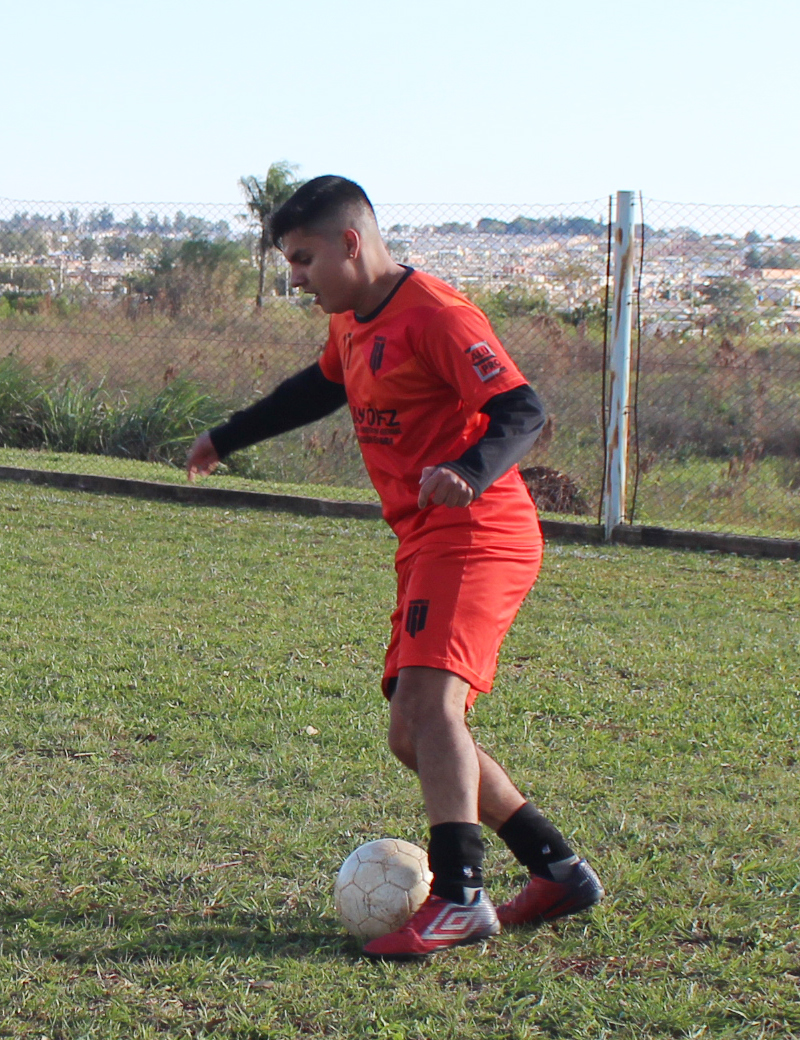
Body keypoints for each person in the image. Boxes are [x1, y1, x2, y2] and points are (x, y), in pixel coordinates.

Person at [185, 176, 602, 960]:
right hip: (425, 539)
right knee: (411, 734)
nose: (296, 278)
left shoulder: (437, 315)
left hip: (477, 531)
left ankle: (460, 898)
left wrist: (470, 470)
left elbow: (522, 409)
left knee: (432, 709)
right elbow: (319, 388)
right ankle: (556, 869)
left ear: (351, 242)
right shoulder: (350, 318)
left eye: (303, 259)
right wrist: (228, 435)